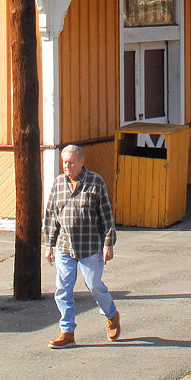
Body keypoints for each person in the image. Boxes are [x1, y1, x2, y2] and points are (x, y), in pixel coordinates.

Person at [42, 144, 120, 348]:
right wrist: (49, 245)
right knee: (63, 289)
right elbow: (51, 216)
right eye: (64, 162)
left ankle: (111, 314)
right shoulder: (58, 184)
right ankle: (67, 332)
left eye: (71, 162)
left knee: (94, 285)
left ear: (81, 162)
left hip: (90, 246)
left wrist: (108, 244)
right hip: (65, 246)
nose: (66, 166)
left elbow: (106, 216)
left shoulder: (95, 182)